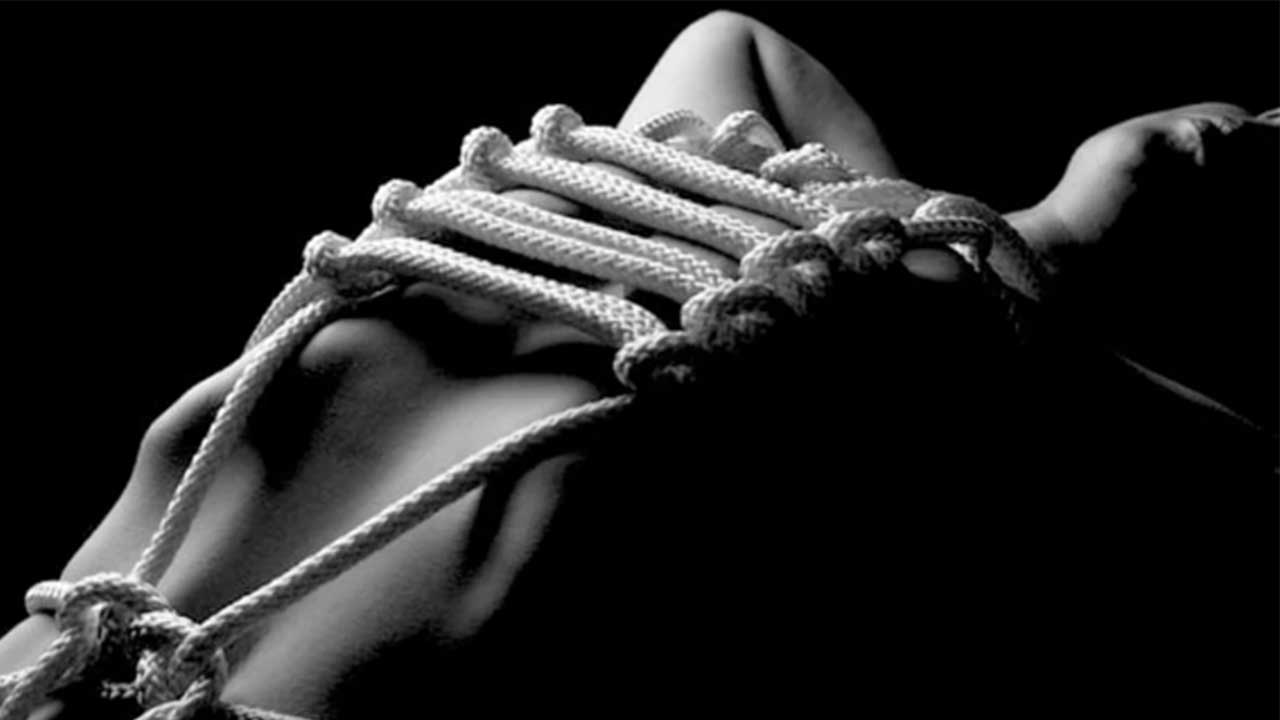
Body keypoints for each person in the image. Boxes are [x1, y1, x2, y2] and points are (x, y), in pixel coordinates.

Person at [0, 10, 1273, 719]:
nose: (1258, 126)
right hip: (96, 615)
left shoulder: (1080, 410)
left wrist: (1012, 305)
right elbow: (735, 37)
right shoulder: (841, 220)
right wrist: (938, 242)